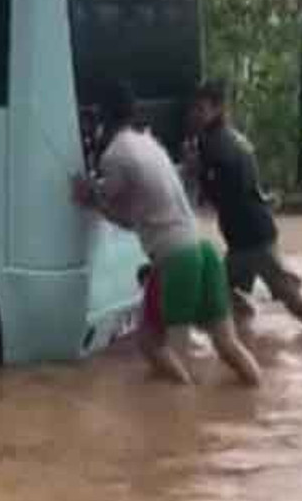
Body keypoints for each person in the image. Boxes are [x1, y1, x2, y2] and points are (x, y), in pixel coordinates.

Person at [71, 82, 261, 387]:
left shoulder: (114, 156)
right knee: (227, 345)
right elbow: (135, 218)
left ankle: (178, 424)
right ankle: (257, 398)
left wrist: (90, 198)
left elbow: (116, 210)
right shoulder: (148, 142)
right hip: (203, 249)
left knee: (167, 354)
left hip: (176, 258)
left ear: (102, 118)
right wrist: (97, 200)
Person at [187, 80, 302, 339]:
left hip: (252, 240)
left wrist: (197, 172)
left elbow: (221, 195)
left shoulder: (215, 144)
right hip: (251, 234)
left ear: (218, 109)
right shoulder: (233, 137)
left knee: (292, 300)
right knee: (217, 290)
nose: (195, 115)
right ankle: (247, 327)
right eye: (194, 109)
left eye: (201, 108)